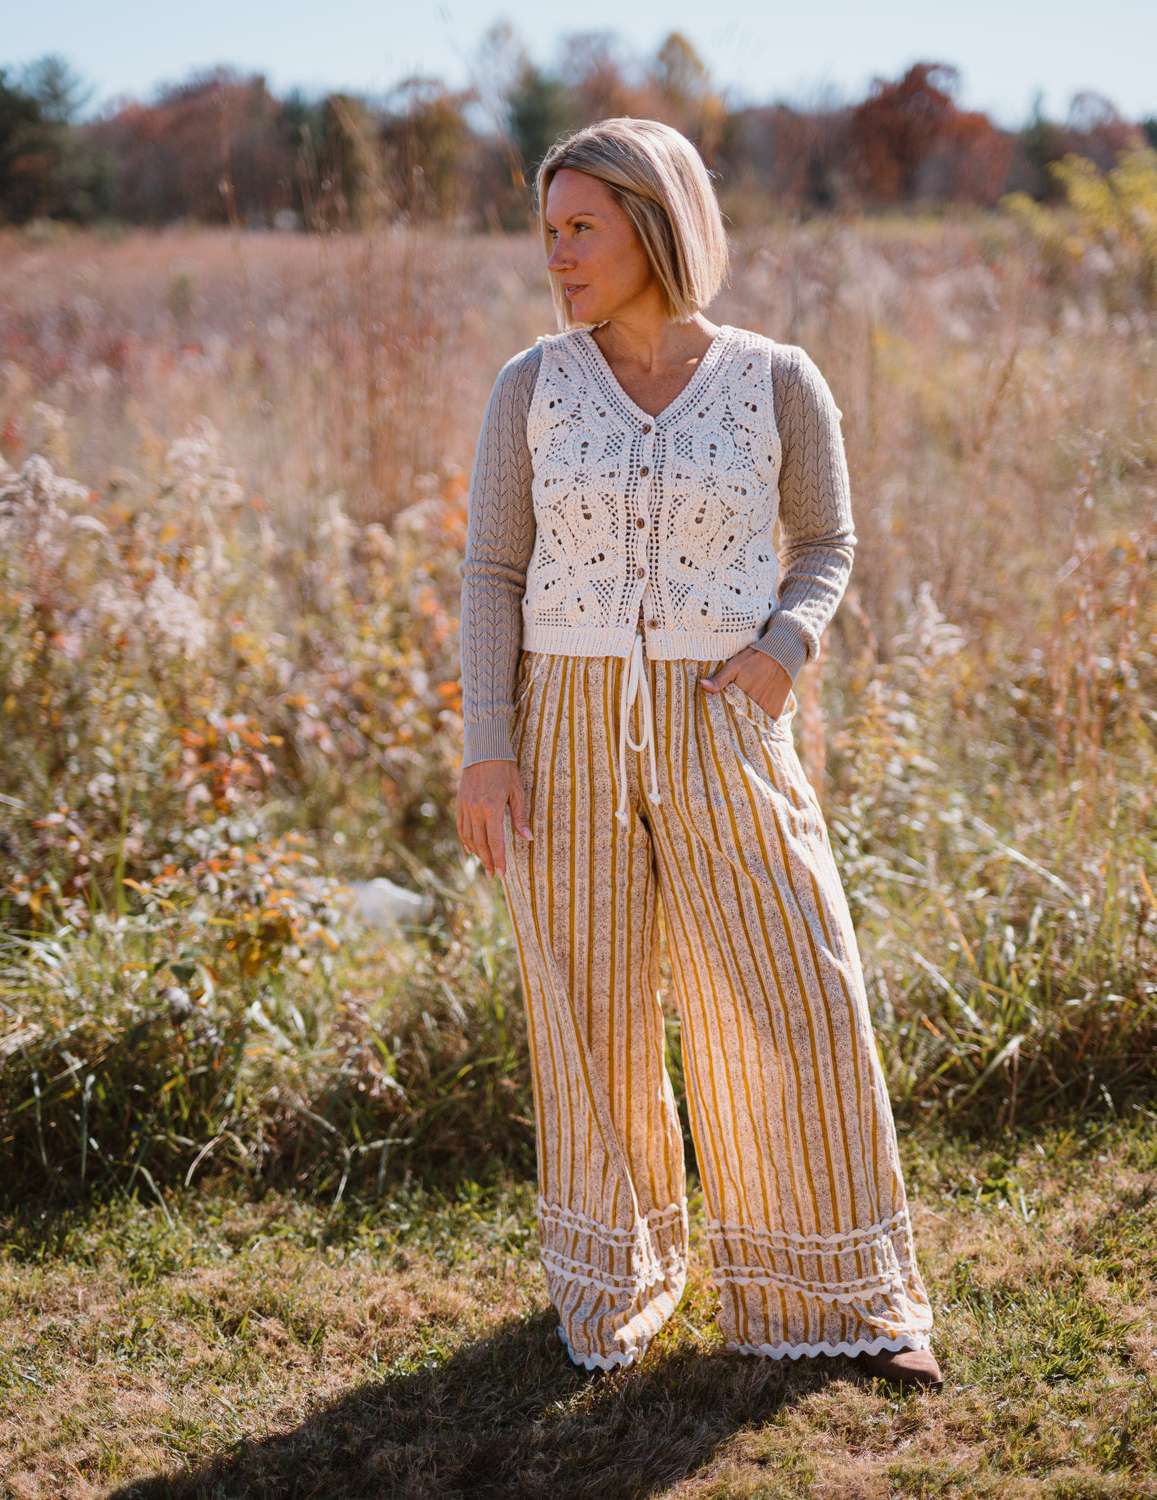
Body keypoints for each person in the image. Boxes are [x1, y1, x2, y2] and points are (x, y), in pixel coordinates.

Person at [456, 118, 942, 1389]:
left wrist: (785, 645)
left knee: (797, 988)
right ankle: (612, 1287)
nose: (555, 255)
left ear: (654, 226)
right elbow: (493, 572)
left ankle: (843, 1293)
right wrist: (488, 745)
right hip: (563, 726)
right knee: (590, 1013)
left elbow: (826, 541)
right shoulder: (532, 385)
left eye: (580, 229)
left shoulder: (778, 378)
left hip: (727, 718)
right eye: (548, 229)